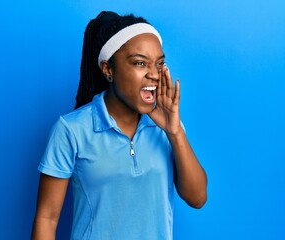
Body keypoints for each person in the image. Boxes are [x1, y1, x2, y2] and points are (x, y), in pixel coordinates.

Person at [31, 11, 207, 240]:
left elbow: (198, 198)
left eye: (159, 63)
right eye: (140, 63)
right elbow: (47, 218)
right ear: (108, 70)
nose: (154, 74)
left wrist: (175, 132)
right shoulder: (71, 130)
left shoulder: (167, 127)